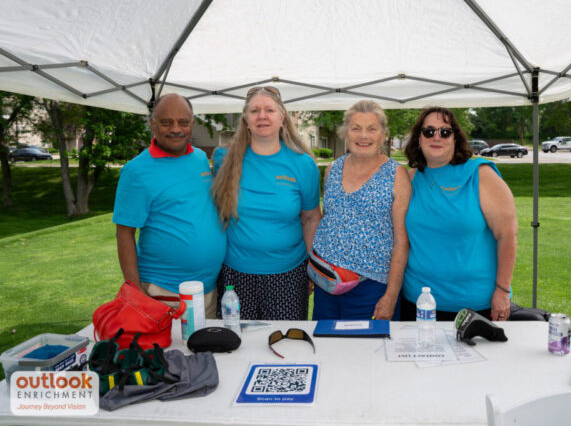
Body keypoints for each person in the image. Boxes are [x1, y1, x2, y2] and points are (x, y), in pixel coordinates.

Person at [212, 86, 321, 320]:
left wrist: (314, 267)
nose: (262, 116)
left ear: (282, 117)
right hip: (234, 275)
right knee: (237, 347)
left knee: (287, 346)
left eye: (269, 110)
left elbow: (311, 218)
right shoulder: (224, 159)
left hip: (289, 274)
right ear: (245, 119)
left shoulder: (303, 164)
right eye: (255, 111)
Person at [113, 93, 226, 318]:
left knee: (208, 352)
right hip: (164, 293)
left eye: (183, 122)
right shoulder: (136, 171)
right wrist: (136, 294)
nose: (176, 128)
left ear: (192, 124)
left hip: (210, 290)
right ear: (153, 124)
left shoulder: (201, 159)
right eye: (166, 122)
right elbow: (124, 234)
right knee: (170, 353)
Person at [402, 106, 517, 321]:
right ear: (418, 138)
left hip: (476, 306)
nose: (436, 137)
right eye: (429, 131)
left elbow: (507, 234)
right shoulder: (409, 179)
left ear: (455, 138)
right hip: (418, 304)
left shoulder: (481, 174)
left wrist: (502, 290)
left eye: (445, 132)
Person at [310, 100, 411, 320]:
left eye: (371, 129)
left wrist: (391, 296)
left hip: (371, 289)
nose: (363, 136)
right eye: (356, 128)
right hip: (327, 283)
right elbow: (328, 221)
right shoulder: (332, 169)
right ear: (345, 133)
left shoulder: (397, 176)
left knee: (369, 351)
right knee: (327, 348)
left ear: (383, 135)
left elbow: (401, 242)